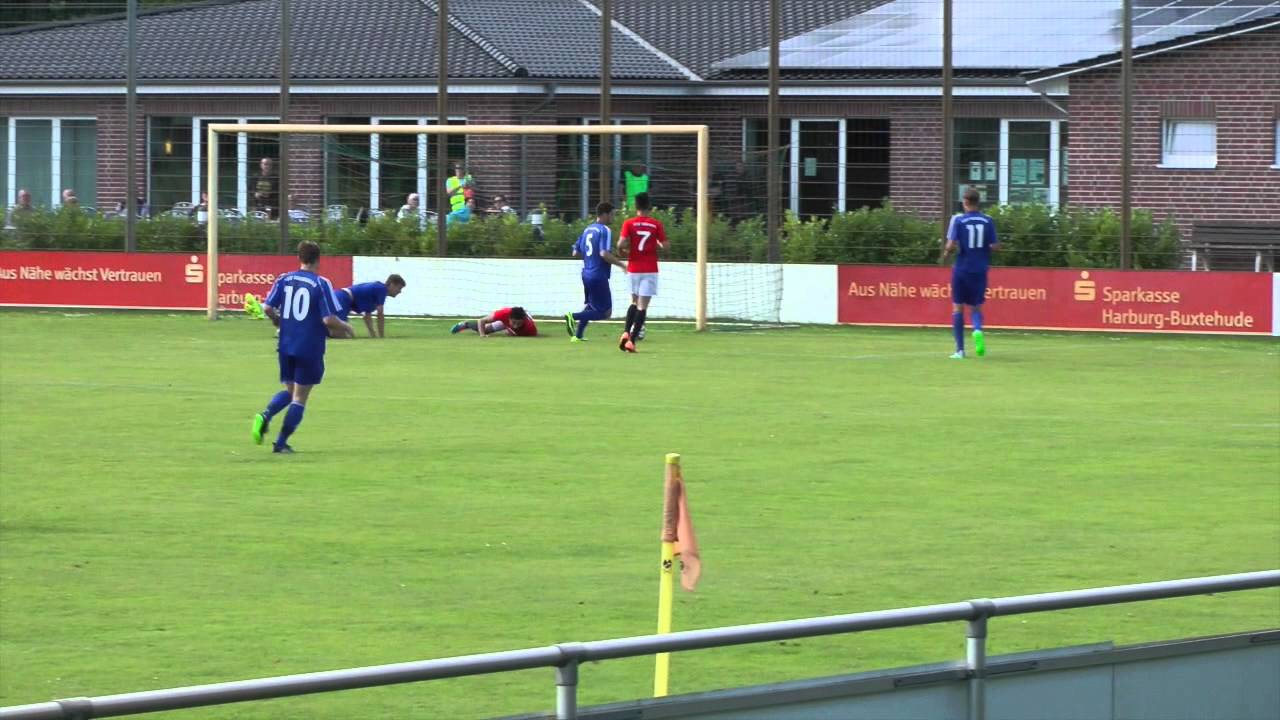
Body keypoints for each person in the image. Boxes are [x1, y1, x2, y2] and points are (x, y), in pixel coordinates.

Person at [250, 241, 354, 454]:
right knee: (299, 397)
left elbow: (268, 307)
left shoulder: (284, 279)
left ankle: (265, 415)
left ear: (299, 257)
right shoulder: (320, 283)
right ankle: (280, 443)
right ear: (318, 259)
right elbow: (328, 320)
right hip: (309, 347)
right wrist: (346, 327)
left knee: (290, 392)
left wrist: (277, 321)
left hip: (285, 345)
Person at [941, 187, 999, 359]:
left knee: (958, 306)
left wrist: (946, 252)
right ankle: (977, 329)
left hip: (962, 268)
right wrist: (985, 247)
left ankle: (960, 350)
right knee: (976, 306)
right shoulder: (988, 221)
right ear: (978, 202)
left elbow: (950, 245)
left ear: (965, 203)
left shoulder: (958, 220)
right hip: (980, 269)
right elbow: (995, 246)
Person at [564, 202, 626, 343]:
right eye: (612, 214)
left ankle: (578, 336)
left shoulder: (587, 229)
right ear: (605, 214)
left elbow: (575, 252)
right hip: (598, 275)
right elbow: (604, 253)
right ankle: (572, 316)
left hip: (586, 274)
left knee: (591, 305)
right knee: (605, 312)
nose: (613, 218)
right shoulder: (605, 230)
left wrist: (590, 258)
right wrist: (621, 264)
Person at [616, 192, 666, 352]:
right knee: (642, 307)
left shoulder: (628, 223)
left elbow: (621, 243)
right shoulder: (656, 224)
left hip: (633, 268)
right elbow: (666, 246)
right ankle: (632, 340)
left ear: (636, 207)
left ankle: (625, 332)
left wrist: (622, 250)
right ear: (649, 207)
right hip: (649, 268)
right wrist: (658, 244)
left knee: (633, 301)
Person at [333, 274, 407, 339]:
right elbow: (380, 314)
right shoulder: (382, 289)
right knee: (340, 334)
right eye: (399, 288)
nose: (400, 291)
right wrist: (381, 336)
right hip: (343, 298)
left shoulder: (377, 291)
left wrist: (373, 335)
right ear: (392, 285)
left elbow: (367, 316)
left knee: (339, 332)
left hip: (341, 297)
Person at [451, 306, 537, 337]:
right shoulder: (503, 314)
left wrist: (511, 331)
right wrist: (482, 335)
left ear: (523, 321)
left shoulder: (530, 328)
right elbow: (481, 320)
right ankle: (466, 324)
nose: (516, 325)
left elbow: (516, 332)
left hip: (509, 325)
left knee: (511, 332)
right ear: (509, 318)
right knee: (485, 330)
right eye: (514, 322)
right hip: (504, 321)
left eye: (519, 323)